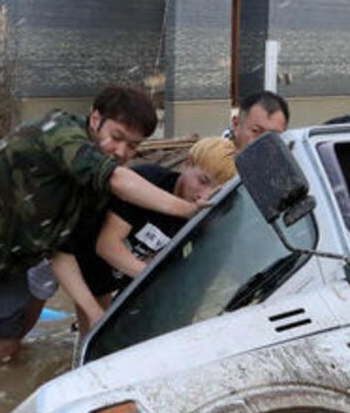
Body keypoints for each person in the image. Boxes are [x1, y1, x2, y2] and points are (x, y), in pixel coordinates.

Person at [0, 85, 208, 378]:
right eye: (117, 137)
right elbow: (117, 179)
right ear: (95, 120)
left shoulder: (96, 191)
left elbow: (62, 254)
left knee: (3, 356)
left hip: (15, 260)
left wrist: (95, 314)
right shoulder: (59, 132)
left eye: (132, 146)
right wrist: (188, 210)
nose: (121, 151)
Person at [52, 137, 238, 329]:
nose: (204, 195)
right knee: (84, 323)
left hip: (123, 274)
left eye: (215, 191)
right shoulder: (147, 182)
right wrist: (157, 278)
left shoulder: (208, 214)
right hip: (77, 257)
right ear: (187, 163)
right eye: (202, 181)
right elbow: (107, 246)